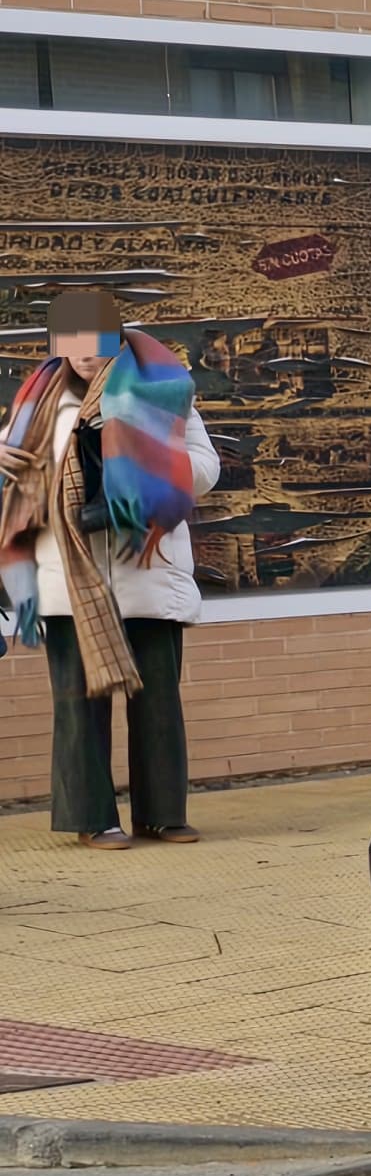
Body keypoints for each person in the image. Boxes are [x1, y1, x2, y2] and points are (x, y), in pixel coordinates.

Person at [0, 287, 223, 849]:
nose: (83, 351)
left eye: (93, 338)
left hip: (146, 570)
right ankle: (93, 818)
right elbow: (13, 480)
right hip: (67, 579)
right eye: (70, 340)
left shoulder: (163, 395)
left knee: (159, 703)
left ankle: (163, 814)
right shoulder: (36, 406)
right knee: (77, 705)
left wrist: (145, 462)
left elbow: (205, 469)